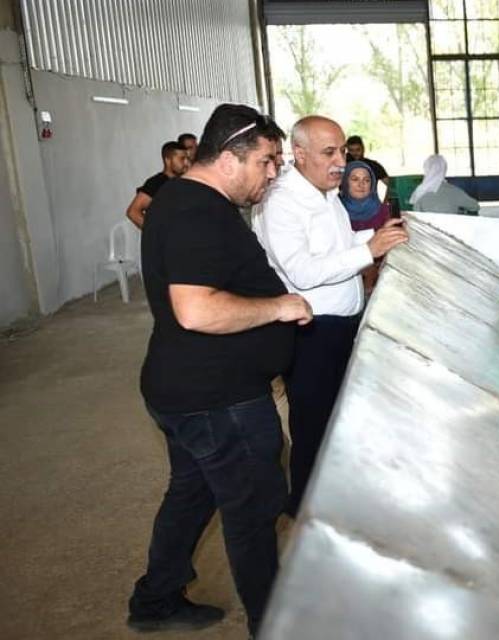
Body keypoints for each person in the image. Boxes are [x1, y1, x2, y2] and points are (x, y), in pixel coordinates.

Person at [129, 104, 310, 636]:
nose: (274, 173)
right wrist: (280, 307)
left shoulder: (189, 200)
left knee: (192, 492)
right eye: (268, 161)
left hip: (188, 388)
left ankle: (155, 599)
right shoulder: (195, 211)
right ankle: (273, 625)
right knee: (253, 509)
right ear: (230, 157)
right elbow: (196, 308)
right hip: (216, 398)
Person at [255, 116, 409, 518]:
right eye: (329, 153)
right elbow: (303, 270)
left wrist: (379, 237)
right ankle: (305, 510)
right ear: (299, 153)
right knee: (313, 424)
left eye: (342, 150)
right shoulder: (282, 203)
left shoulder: (325, 194)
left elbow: (337, 246)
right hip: (312, 333)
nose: (340, 161)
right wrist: (368, 250)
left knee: (340, 418)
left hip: (341, 325)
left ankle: (334, 499)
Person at [126, 141, 190, 228]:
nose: (186, 163)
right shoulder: (156, 183)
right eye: (182, 159)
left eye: (187, 159)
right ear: (168, 160)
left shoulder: (183, 181)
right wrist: (155, 234)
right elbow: (133, 212)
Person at [408, 154, 479, 215]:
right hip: (449, 229)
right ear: (444, 170)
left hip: (427, 230)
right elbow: (475, 206)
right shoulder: (453, 191)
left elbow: (416, 213)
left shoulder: (420, 191)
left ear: (426, 169)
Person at [339, 161, 390, 231]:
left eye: (366, 180)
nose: (361, 184)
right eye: (355, 179)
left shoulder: (386, 213)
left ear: (372, 184)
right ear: (345, 182)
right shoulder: (335, 211)